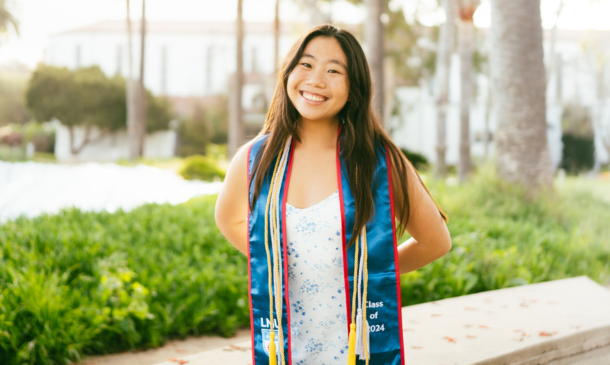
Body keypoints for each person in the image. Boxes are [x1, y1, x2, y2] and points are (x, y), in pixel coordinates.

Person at [215, 24, 451, 365]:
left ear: (354, 86)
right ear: (288, 73)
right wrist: (289, 266)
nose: (316, 80)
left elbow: (436, 241)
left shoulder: (378, 161)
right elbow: (227, 219)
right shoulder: (255, 158)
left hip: (355, 343)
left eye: (334, 71)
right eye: (306, 65)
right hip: (287, 344)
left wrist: (367, 271)